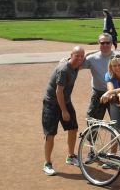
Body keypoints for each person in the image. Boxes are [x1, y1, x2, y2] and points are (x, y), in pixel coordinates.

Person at [42, 46, 85, 176]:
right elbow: (58, 91)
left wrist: (100, 50)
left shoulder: (77, 64)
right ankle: (47, 163)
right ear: (71, 55)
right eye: (77, 55)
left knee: (73, 129)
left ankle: (71, 156)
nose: (79, 58)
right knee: (50, 134)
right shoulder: (64, 70)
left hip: (65, 101)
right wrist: (64, 111)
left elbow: (85, 56)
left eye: (82, 56)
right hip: (52, 103)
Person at [83, 33, 120, 122]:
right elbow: (76, 66)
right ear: (98, 43)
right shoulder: (92, 58)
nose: (105, 45)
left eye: (108, 43)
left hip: (115, 93)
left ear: (111, 43)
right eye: (102, 43)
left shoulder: (118, 57)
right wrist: (68, 60)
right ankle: (91, 136)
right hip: (98, 93)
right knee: (92, 121)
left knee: (118, 124)